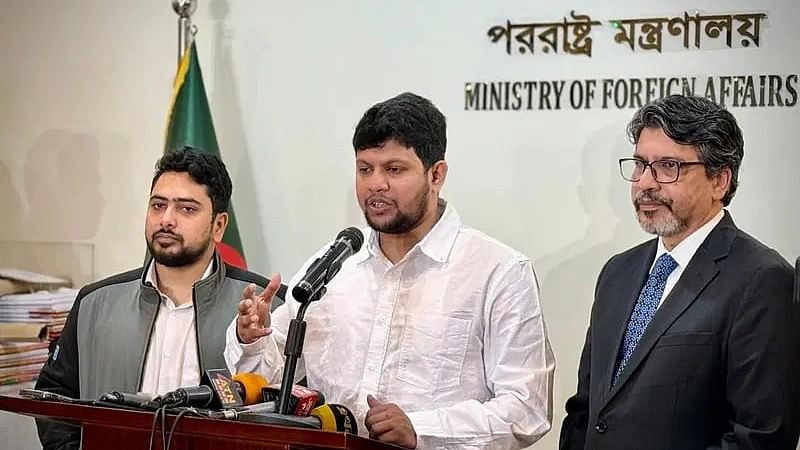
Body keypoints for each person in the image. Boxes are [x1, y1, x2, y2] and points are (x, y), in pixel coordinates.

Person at [225, 92, 555, 449]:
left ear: (436, 174)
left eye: (394, 169)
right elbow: (267, 381)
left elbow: (526, 409)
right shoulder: (334, 266)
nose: (375, 184)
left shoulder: (498, 272)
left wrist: (420, 429)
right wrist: (253, 337)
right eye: (365, 168)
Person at [559, 95, 800, 449]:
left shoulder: (763, 279)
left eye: (668, 167)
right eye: (640, 165)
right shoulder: (617, 272)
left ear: (719, 180)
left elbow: (760, 438)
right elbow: (587, 411)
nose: (645, 183)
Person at [35, 147, 272, 450]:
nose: (167, 220)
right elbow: (55, 396)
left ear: (218, 226)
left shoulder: (262, 309)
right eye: (158, 205)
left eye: (187, 209)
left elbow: (292, 414)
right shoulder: (94, 303)